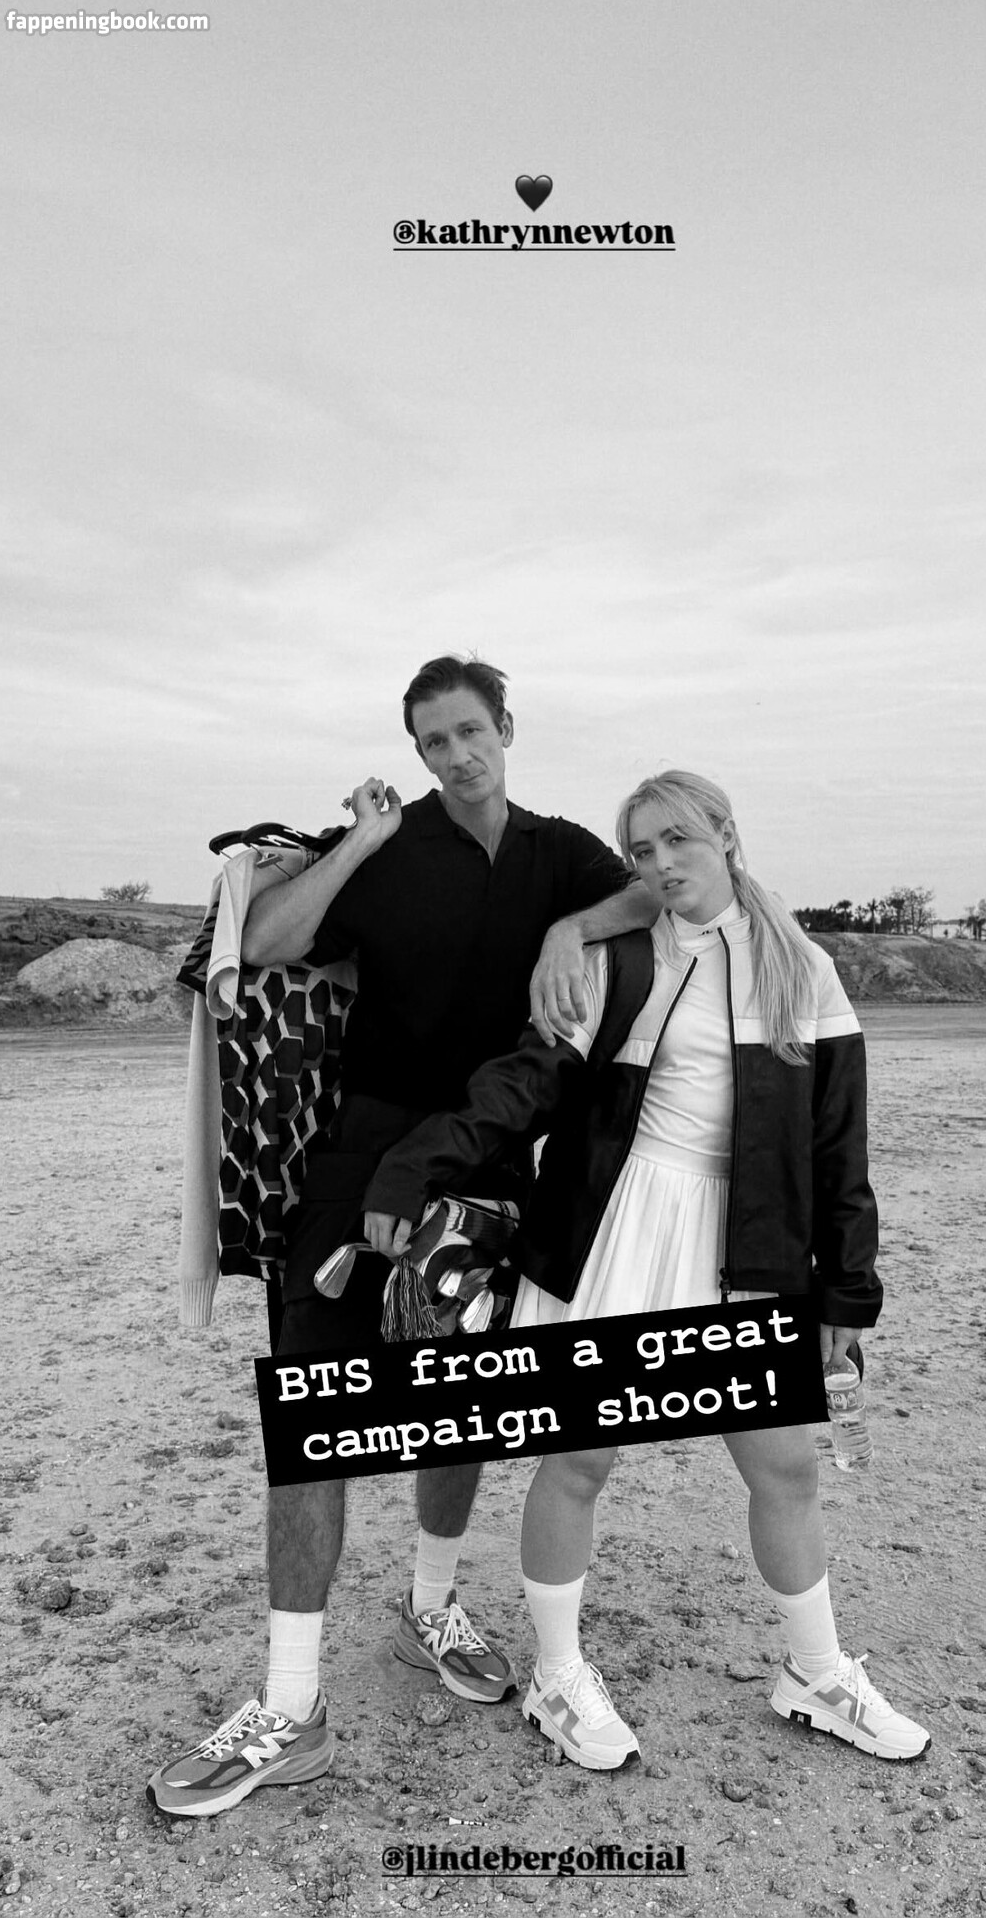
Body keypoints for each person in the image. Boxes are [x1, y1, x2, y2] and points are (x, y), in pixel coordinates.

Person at [147, 656, 659, 1817]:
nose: (457, 756)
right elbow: (266, 944)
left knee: (459, 1401)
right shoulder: (391, 845)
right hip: (361, 1155)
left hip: (492, 1158)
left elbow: (652, 894)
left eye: (471, 732)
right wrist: (359, 846)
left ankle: (429, 1608)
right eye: (434, 741)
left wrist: (570, 928)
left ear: (506, 728)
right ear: (417, 752)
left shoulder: (558, 851)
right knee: (314, 1420)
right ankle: (292, 1706)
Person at [360, 769, 932, 1772]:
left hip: (746, 1246)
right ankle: (558, 1678)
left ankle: (815, 1673)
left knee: (785, 1466)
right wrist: (416, 1165)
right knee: (580, 1462)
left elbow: (840, 1150)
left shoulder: (803, 970)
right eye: (640, 850)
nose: (661, 864)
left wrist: (847, 1287)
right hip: (615, 1236)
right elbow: (519, 1089)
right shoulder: (617, 961)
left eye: (678, 840)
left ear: (726, 836)